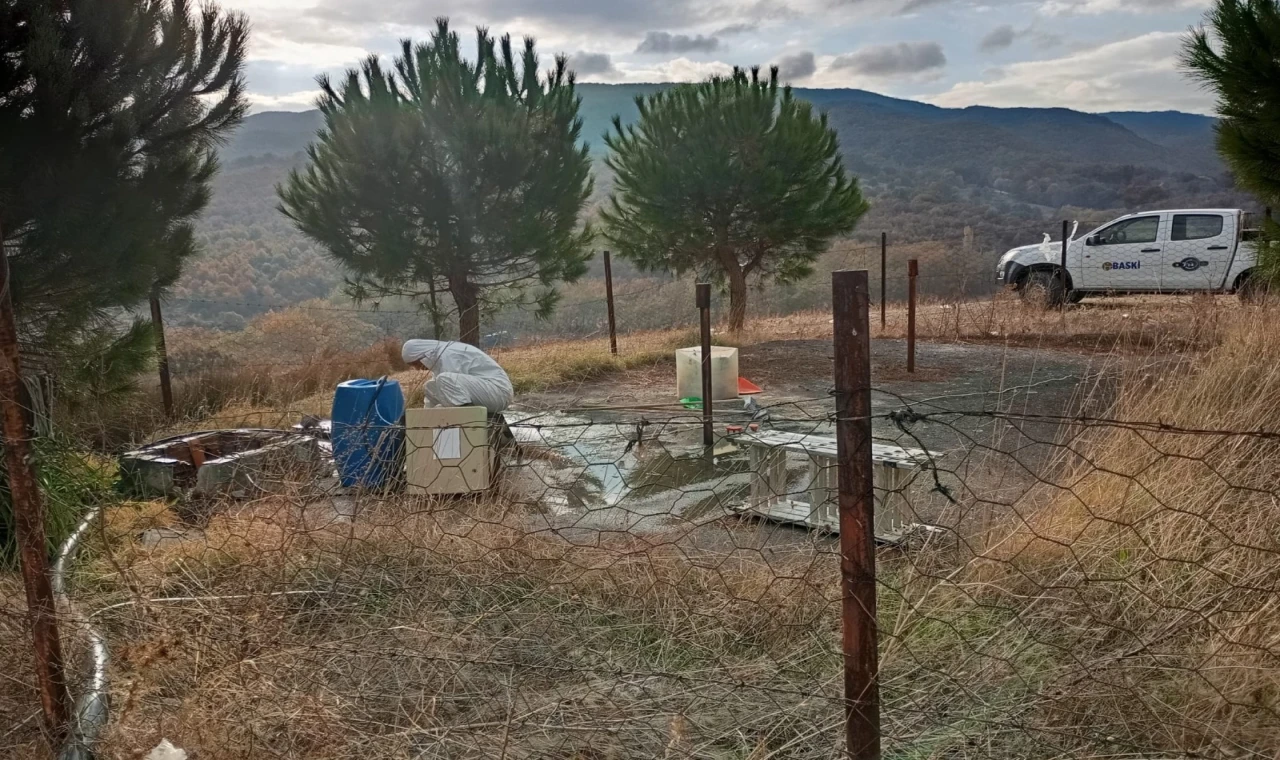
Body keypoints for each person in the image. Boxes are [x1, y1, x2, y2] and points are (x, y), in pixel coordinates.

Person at [401, 339, 514, 414]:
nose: (418, 369)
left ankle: (463, 420)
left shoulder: (449, 354)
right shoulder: (440, 359)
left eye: (416, 364)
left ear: (423, 356)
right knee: (429, 386)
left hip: (498, 393)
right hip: (485, 392)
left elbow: (451, 387)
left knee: (445, 380)